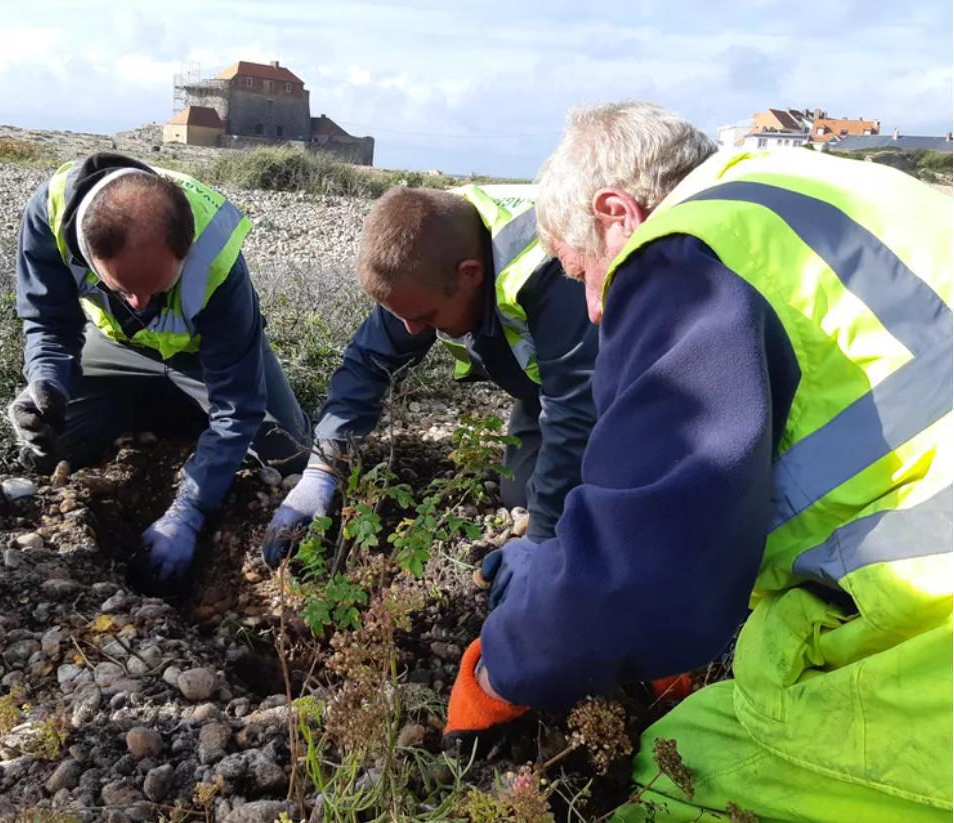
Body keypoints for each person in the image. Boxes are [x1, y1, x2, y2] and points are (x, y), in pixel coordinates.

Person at [443, 102, 952, 822]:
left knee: (673, 777)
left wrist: (502, 667)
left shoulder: (683, 251)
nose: (593, 308)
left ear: (620, 213)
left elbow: (637, 572)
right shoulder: (811, 191)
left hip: (936, 638)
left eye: (581, 270)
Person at [8, 153, 310, 591]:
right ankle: (169, 415)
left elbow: (238, 401)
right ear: (87, 251)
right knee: (50, 437)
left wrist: (191, 508)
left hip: (205, 359)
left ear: (184, 251)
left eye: (159, 287)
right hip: (116, 348)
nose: (141, 304)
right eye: (123, 289)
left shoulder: (214, 249)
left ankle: (185, 419)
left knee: (290, 454)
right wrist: (46, 379)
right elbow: (47, 323)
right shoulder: (50, 215)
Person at [259, 184, 599, 568]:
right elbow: (368, 362)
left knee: (577, 508)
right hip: (545, 386)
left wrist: (540, 544)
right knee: (521, 493)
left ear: (469, 274)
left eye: (424, 317)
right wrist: (321, 471)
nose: (413, 329)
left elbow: (576, 408)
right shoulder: (422, 254)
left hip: (620, 385)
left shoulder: (549, 272)